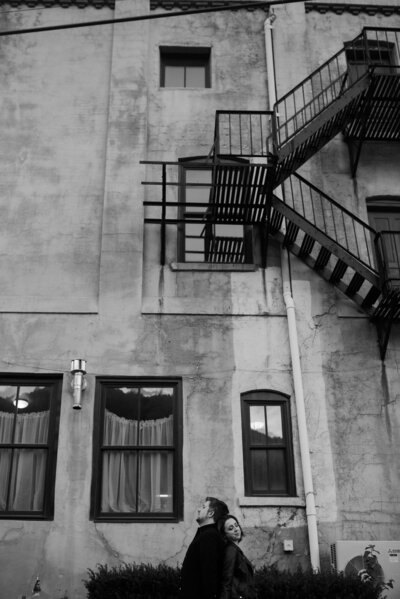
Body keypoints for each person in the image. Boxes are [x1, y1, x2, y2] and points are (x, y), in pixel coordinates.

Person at [180, 496, 229, 599]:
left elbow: (209, 575)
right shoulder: (206, 534)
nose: (198, 509)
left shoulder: (209, 536)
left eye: (203, 507)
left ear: (210, 513)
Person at [218, 514, 257, 599]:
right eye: (231, 528)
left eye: (236, 525)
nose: (236, 529)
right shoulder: (231, 550)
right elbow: (226, 581)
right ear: (224, 535)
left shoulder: (235, 550)